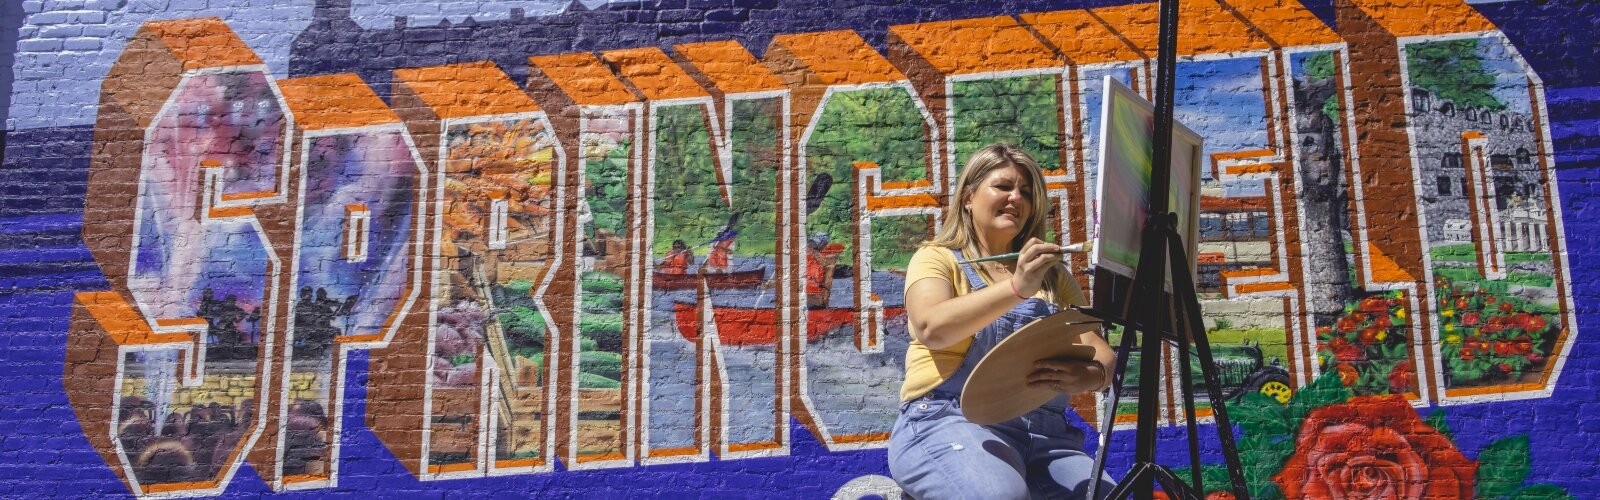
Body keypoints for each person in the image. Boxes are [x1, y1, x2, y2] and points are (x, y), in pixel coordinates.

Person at [890, 143, 1118, 499]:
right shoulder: (937, 259)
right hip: (951, 420)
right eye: (1003, 186)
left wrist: (1087, 376)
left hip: (1046, 435)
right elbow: (930, 328)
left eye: (1026, 192)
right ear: (968, 197)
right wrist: (1016, 287)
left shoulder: (1054, 277)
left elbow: (1101, 353)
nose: (1016, 197)